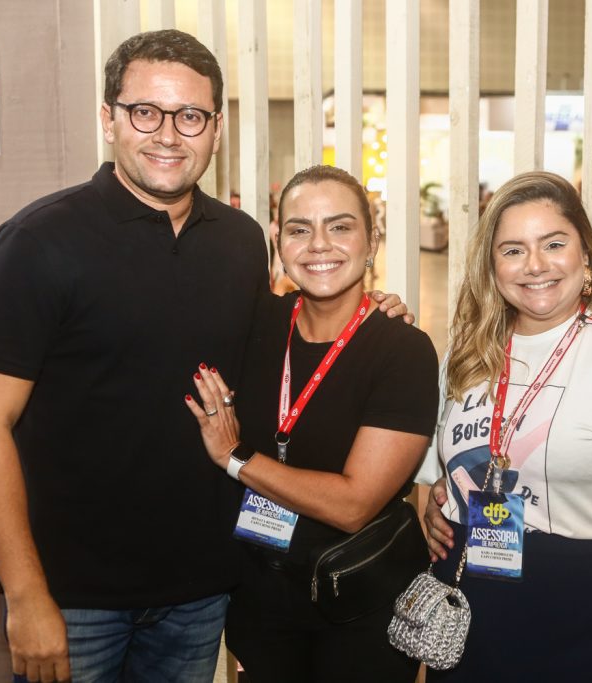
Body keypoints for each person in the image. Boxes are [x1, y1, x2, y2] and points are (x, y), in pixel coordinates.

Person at [0, 30, 407, 683]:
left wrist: (374, 309)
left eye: (190, 115)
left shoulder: (241, 243)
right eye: (146, 112)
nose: (169, 133)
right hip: (75, 595)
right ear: (108, 119)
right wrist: (26, 596)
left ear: (215, 130)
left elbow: (293, 328)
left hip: (199, 591)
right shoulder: (39, 243)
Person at [421, 171, 592, 681]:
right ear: (491, 266)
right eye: (512, 250)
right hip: (476, 611)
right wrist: (444, 502)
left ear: (587, 256)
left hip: (589, 612)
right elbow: (446, 466)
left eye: (553, 243)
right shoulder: (468, 353)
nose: (535, 266)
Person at [185, 165, 439, 683]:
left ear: (372, 241)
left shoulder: (401, 350)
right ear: (279, 242)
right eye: (300, 229)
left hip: (357, 607)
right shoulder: (256, 324)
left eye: (341, 227)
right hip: (260, 599)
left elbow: (353, 505)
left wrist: (236, 458)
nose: (319, 244)